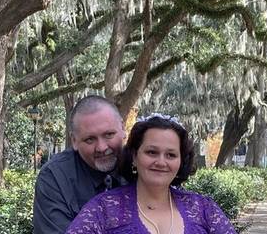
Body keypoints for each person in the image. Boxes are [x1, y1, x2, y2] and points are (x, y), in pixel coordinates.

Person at [65, 114, 237, 234]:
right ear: (134, 156)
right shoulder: (103, 209)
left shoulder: (204, 209)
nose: (161, 162)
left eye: (171, 155)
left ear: (180, 161)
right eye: (152, 152)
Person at [33, 96, 127, 234]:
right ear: (74, 140)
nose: (101, 147)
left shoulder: (143, 166)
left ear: (123, 128)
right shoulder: (55, 177)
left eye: (108, 134)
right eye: (90, 139)